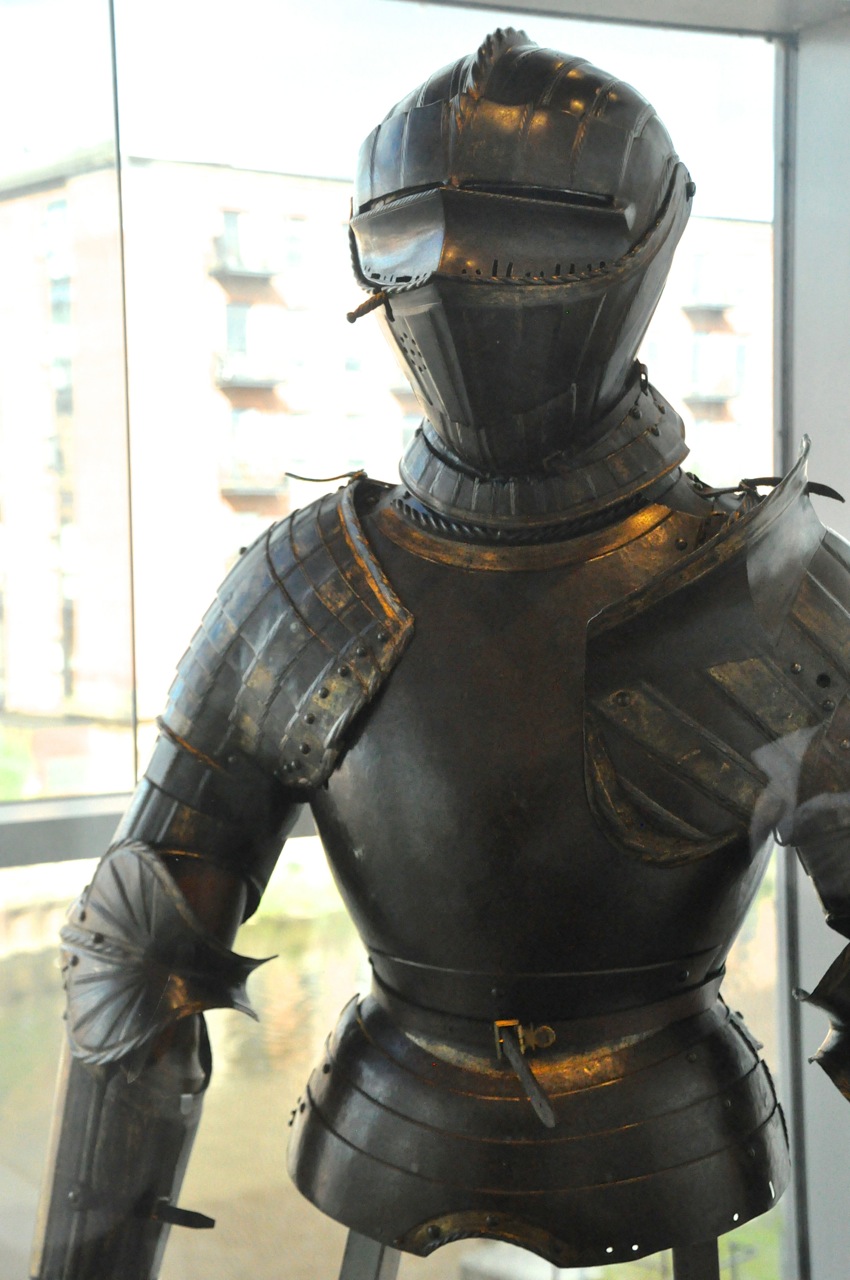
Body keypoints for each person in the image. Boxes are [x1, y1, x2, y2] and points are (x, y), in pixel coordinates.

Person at [31, 29, 850, 1280]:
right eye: (418, 236)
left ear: (647, 238)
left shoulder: (766, 578)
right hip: (388, 1117)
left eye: (528, 235)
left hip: (670, 1133)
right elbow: (140, 944)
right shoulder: (305, 578)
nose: (463, 279)